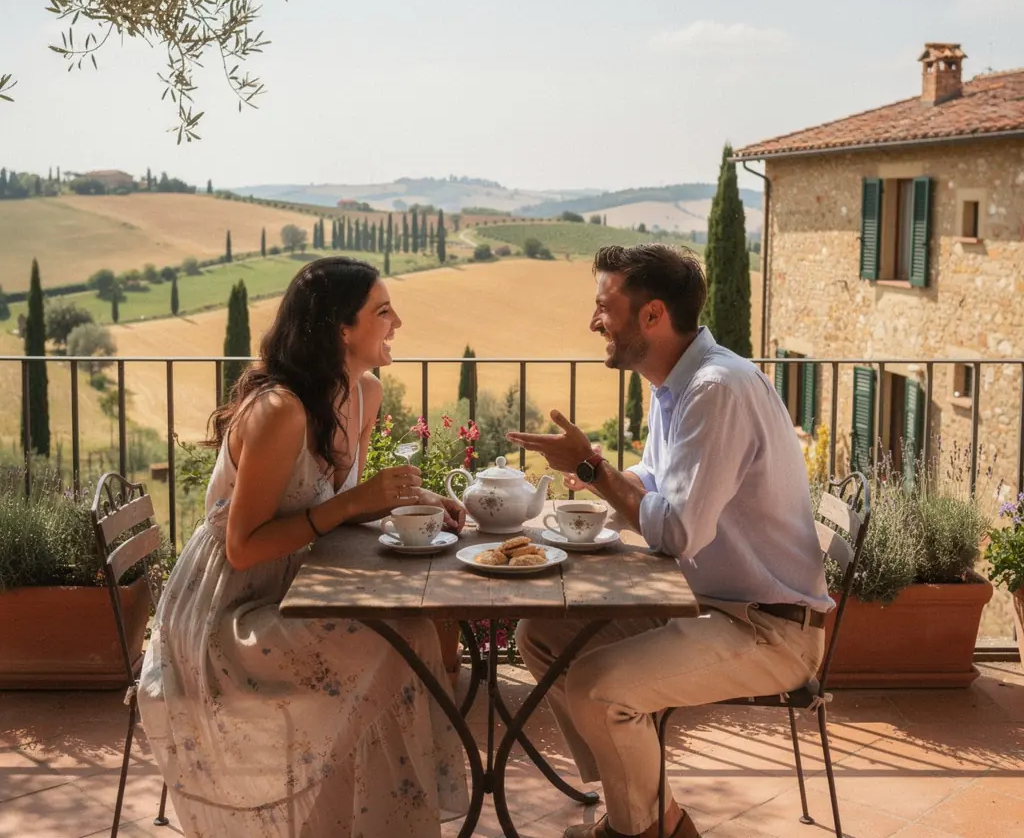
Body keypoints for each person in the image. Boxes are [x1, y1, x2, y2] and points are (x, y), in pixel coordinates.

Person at [508, 244, 831, 838]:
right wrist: (589, 472)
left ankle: (650, 826)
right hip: (714, 607)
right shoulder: (674, 386)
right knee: (542, 635)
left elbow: (678, 531)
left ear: (652, 315)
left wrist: (590, 470)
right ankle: (637, 805)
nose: (594, 322)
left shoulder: (714, 390)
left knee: (598, 689)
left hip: (768, 629)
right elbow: (654, 486)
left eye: (605, 307)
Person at [139, 256, 468, 838]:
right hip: (231, 613)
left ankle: (359, 821)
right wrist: (350, 504)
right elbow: (242, 548)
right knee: (400, 641)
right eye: (383, 311)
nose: (398, 323)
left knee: (407, 634)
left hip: (301, 590)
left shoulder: (363, 393)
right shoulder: (279, 411)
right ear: (342, 329)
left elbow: (341, 509)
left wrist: (413, 503)